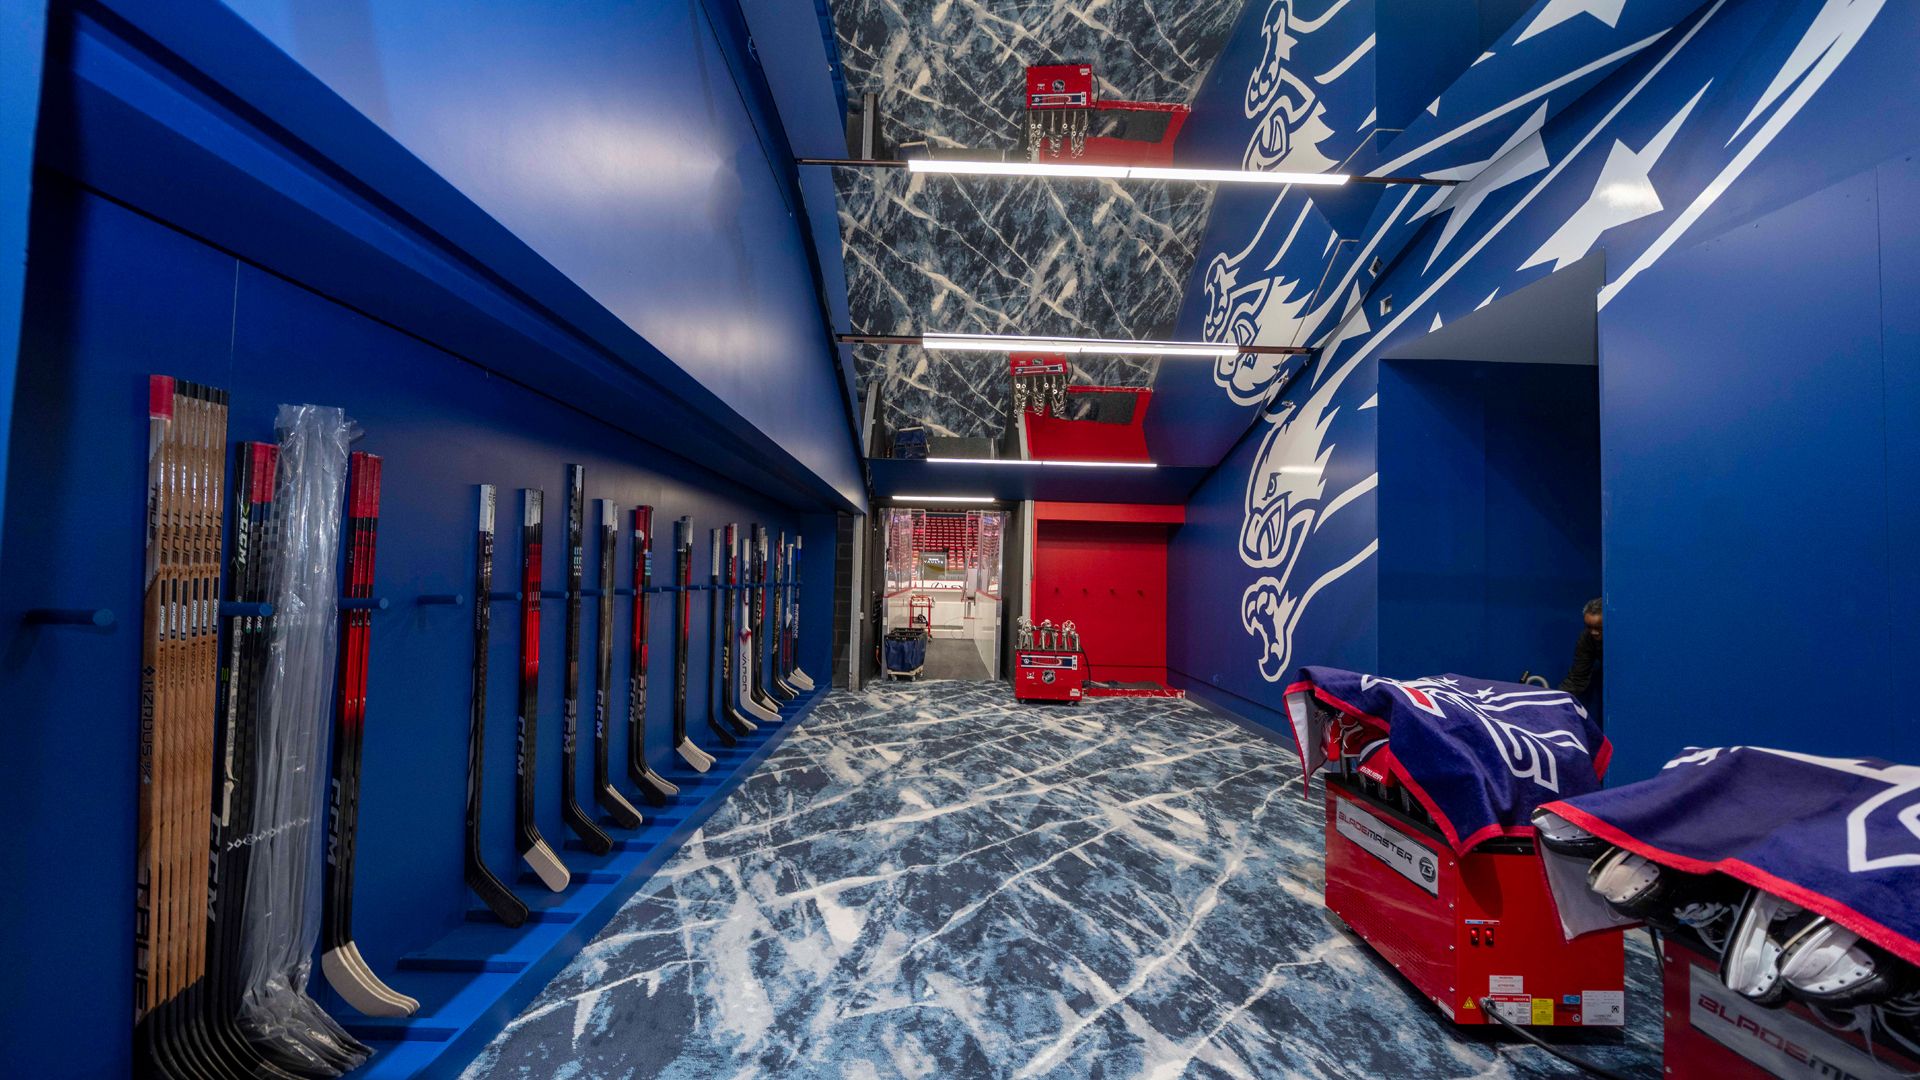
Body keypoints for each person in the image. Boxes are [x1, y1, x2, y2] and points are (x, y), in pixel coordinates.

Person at [1561, 598, 1603, 724]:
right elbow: (1577, 678)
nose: (1594, 632)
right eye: (1589, 627)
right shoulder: (1587, 638)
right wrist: (1556, 701)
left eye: (1599, 628)